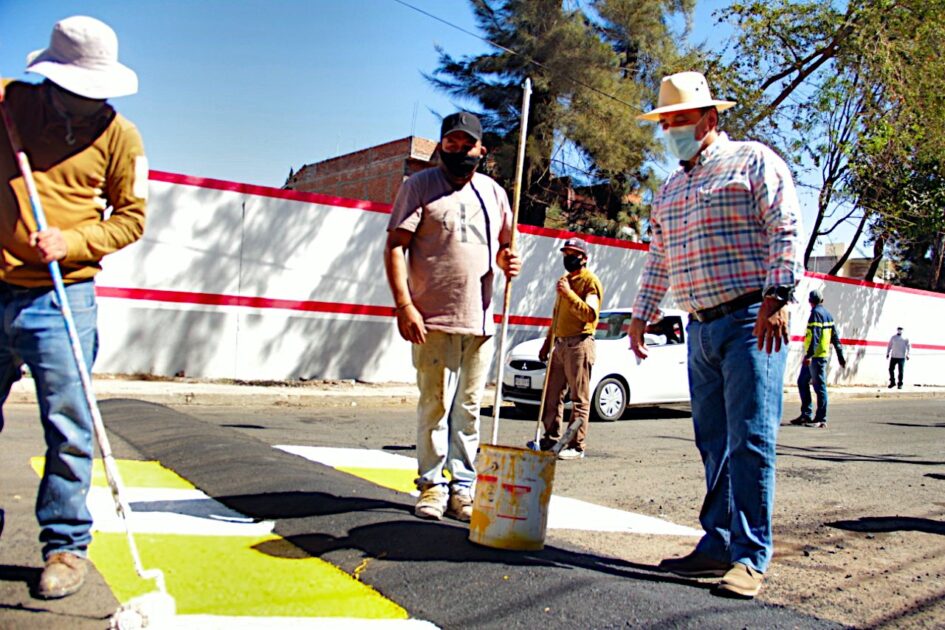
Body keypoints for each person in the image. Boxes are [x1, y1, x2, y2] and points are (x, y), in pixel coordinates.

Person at [627, 71, 802, 599]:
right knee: (714, 443)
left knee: (751, 440)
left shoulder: (752, 161)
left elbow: (785, 228)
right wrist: (641, 314)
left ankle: (750, 558)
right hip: (700, 328)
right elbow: (658, 257)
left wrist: (779, 297)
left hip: (752, 319)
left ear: (710, 118)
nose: (674, 130)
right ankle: (717, 544)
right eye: (667, 123)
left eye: (682, 120)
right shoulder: (671, 189)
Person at [0, 16, 147, 600]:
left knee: (68, 424)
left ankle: (64, 545)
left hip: (62, 297)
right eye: (77, 91)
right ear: (50, 80)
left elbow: (131, 218)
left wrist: (74, 241)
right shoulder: (11, 105)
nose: (90, 102)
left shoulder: (120, 137)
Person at [383, 112, 520, 522]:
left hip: (479, 321)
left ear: (482, 150)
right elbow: (394, 246)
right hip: (432, 320)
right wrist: (405, 305)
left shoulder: (494, 193)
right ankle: (431, 485)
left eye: (468, 145)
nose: (460, 151)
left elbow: (507, 245)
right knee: (435, 405)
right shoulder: (419, 187)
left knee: (469, 408)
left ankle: (463, 486)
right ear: (442, 146)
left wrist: (509, 260)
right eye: (452, 144)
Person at [535, 237, 603, 460]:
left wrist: (569, 294)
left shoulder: (589, 282)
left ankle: (576, 444)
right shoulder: (564, 280)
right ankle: (550, 439)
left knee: (579, 398)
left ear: (583, 258)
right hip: (560, 344)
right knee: (552, 394)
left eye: (572, 254)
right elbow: (556, 317)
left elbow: (590, 314)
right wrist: (547, 343)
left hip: (579, 344)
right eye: (565, 254)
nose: (568, 258)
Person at [790, 289, 846, 428]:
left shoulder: (816, 314)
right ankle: (806, 414)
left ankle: (821, 418)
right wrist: (840, 356)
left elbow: (815, 335)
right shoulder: (828, 314)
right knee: (802, 382)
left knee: (819, 386)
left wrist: (809, 355)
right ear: (822, 300)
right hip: (817, 356)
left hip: (816, 357)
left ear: (810, 301)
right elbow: (835, 337)